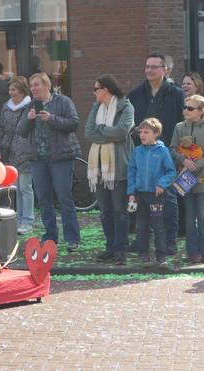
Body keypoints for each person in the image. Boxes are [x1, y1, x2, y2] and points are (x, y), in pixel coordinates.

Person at [126, 53, 184, 254]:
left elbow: (181, 123)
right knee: (143, 200)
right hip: (143, 155)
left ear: (165, 69)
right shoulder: (136, 94)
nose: (149, 70)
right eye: (147, 66)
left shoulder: (176, 94)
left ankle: (170, 241)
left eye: (154, 67)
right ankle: (142, 240)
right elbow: (128, 122)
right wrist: (135, 132)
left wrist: (178, 151)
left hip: (167, 154)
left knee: (169, 200)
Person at [17, 72, 81, 251]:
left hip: (60, 158)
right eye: (31, 86)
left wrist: (51, 118)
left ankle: (72, 238)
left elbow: (74, 124)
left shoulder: (63, 102)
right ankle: (51, 237)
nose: (33, 89)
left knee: (64, 198)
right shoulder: (31, 105)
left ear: (47, 85)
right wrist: (29, 120)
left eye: (36, 85)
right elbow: (22, 131)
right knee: (44, 200)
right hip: (38, 159)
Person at [84, 75, 135, 265]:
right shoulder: (96, 108)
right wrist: (109, 134)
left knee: (119, 209)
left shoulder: (126, 107)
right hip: (99, 167)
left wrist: (100, 129)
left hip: (118, 166)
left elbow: (122, 131)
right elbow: (88, 133)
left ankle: (120, 249)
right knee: (105, 210)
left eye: (95, 88)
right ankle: (110, 248)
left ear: (105, 89)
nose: (94, 92)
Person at [127, 118, 176, 269]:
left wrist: (161, 184)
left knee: (158, 227)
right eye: (141, 132)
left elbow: (171, 171)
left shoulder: (163, 151)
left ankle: (161, 258)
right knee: (141, 228)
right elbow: (131, 172)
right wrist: (131, 192)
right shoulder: (137, 151)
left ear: (156, 134)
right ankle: (144, 257)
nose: (142, 135)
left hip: (156, 196)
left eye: (146, 132)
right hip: (139, 195)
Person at [169, 95, 204, 264]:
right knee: (189, 214)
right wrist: (183, 160)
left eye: (190, 108)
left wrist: (196, 164)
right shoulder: (179, 127)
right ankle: (192, 252)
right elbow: (172, 148)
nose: (186, 110)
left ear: (201, 111)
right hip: (184, 178)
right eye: (185, 107)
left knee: (202, 214)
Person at [0, 76, 35, 235]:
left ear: (22, 91)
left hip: (26, 152)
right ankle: (17, 219)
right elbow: (1, 129)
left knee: (25, 187)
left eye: (14, 89)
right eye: (10, 89)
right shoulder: (6, 107)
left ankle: (28, 220)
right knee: (15, 188)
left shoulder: (30, 106)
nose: (10, 92)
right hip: (9, 152)